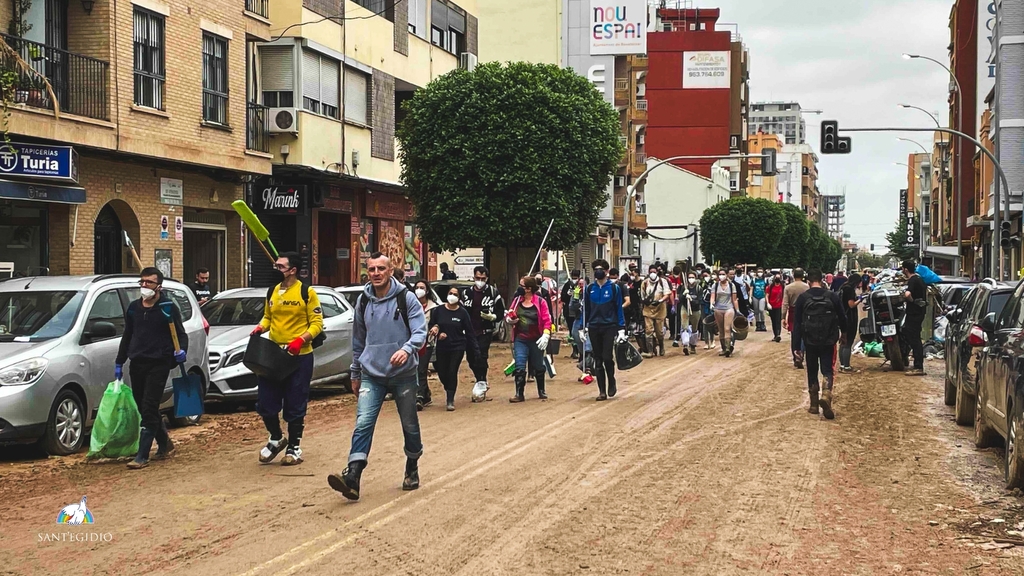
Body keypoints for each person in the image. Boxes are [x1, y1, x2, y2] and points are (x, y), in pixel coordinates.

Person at [328, 253, 427, 500]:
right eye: (371, 269)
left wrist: (406, 349)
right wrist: (355, 372)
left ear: (390, 270)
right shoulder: (363, 301)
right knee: (363, 422)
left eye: (381, 268)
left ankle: (412, 465)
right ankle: (353, 475)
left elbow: (420, 332)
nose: (376, 273)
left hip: (403, 374)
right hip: (371, 373)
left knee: (409, 425)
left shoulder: (407, 298)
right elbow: (358, 340)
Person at [250, 252, 324, 466]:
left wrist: (301, 339)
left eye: (281, 266)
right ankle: (275, 438)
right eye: (276, 265)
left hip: (299, 357)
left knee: (295, 403)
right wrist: (261, 327)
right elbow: (268, 316)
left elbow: (317, 323)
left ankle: (294, 446)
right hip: (273, 356)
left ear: (293, 270)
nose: (276, 269)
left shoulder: (306, 292)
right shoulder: (272, 291)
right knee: (266, 402)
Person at [115, 267, 188, 470]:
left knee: (149, 406)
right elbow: (127, 336)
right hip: (137, 362)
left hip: (159, 362)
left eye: (149, 282)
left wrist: (181, 351)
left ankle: (142, 454)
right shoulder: (133, 309)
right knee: (143, 406)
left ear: (159, 286)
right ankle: (165, 443)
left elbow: (181, 334)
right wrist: (119, 362)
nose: (145, 286)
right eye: (142, 282)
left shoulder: (167, 307)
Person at [793, 269, 847, 420]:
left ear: (808, 282)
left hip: (809, 341)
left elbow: (797, 324)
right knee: (827, 369)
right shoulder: (832, 296)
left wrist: (797, 347)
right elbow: (843, 317)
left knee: (812, 370)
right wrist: (844, 333)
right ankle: (826, 394)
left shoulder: (803, 298)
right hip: (828, 340)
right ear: (822, 280)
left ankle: (814, 405)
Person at [429, 286, 480, 411]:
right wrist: (437, 331)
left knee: (452, 371)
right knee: (441, 371)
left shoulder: (462, 313)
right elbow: (432, 324)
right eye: (450, 293)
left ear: (459, 298)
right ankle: (449, 386)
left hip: (457, 346)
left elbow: (469, 332)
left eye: (455, 294)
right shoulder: (439, 311)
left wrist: (475, 349)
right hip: (441, 346)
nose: (452, 296)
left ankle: (450, 399)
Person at [583, 259, 627, 401]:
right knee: (598, 359)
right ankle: (602, 391)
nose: (598, 271)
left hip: (609, 326)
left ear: (607, 271)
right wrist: (582, 326)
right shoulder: (589, 289)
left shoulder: (614, 288)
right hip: (594, 327)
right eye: (595, 269)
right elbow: (586, 310)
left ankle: (611, 380)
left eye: (601, 269)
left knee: (607, 357)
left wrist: (621, 328)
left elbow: (618, 308)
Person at [506, 276, 553, 402]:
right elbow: (510, 314)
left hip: (536, 339)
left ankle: (541, 390)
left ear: (528, 289)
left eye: (521, 285)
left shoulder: (540, 302)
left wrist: (546, 334)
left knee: (538, 366)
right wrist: (510, 319)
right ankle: (519, 393)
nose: (519, 288)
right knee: (520, 365)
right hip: (520, 338)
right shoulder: (517, 301)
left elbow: (547, 320)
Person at [461, 266, 504, 385]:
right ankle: (478, 377)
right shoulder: (466, 293)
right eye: (477, 278)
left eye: (483, 278)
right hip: (469, 331)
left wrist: (493, 317)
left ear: (487, 278)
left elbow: (501, 310)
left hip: (485, 331)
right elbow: (460, 311)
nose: (480, 281)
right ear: (473, 277)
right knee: (471, 358)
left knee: (481, 356)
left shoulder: (492, 292)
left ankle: (482, 381)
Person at [414, 279, 438, 410]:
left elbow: (438, 322)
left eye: (422, 287)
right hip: (413, 343)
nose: (419, 290)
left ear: (427, 290)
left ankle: (419, 397)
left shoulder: (433, 307)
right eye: (417, 287)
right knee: (416, 369)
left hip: (427, 343)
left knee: (421, 369)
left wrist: (436, 327)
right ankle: (426, 394)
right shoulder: (411, 305)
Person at [901, 260, 927, 376]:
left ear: (906, 269)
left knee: (914, 338)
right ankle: (914, 362)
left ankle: (918, 366)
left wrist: (911, 301)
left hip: (914, 313)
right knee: (912, 336)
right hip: (920, 312)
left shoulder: (913, 280)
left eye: (903, 269)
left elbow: (907, 294)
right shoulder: (920, 279)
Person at [640, 265, 672, 357]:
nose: (652, 274)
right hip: (648, 309)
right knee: (648, 330)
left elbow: (667, 294)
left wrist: (660, 301)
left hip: (660, 309)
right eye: (651, 272)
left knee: (659, 332)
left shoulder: (663, 282)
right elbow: (642, 296)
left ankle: (661, 347)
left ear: (657, 272)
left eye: (654, 272)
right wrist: (646, 301)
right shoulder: (645, 283)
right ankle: (650, 351)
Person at [782, 268, 810, 369]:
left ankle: (796, 356)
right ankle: (801, 354)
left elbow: (785, 303)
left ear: (793, 275)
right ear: (803, 275)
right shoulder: (807, 287)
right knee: (804, 335)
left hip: (793, 312)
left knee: (794, 335)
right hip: (805, 312)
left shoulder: (788, 287)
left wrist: (783, 317)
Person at [838, 272, 863, 373]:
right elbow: (851, 305)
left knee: (843, 342)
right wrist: (860, 300)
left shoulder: (843, 287)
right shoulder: (849, 289)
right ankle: (847, 366)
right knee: (848, 343)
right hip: (850, 318)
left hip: (842, 316)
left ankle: (842, 365)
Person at [712, 269, 740, 357]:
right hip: (718, 309)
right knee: (721, 329)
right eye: (720, 274)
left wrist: (737, 310)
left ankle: (728, 348)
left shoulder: (732, 285)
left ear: (727, 275)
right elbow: (712, 296)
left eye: (723, 274)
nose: (721, 276)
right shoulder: (715, 285)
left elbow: (734, 299)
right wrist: (711, 303)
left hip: (729, 308)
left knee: (727, 328)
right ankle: (724, 348)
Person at [561, 270, 584, 359]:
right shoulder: (568, 285)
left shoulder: (583, 288)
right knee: (572, 332)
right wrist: (569, 295)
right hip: (569, 312)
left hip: (580, 314)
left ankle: (583, 352)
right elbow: (563, 298)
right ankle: (575, 350)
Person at [681, 270, 701, 355]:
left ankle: (693, 346)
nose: (691, 279)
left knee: (694, 328)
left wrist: (691, 300)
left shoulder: (699, 288)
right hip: (685, 308)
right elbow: (680, 299)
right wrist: (683, 295)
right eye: (689, 277)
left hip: (695, 310)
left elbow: (699, 300)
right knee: (684, 326)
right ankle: (685, 345)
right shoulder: (684, 287)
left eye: (692, 277)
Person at [667, 266, 684, 347]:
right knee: (671, 318)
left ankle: (678, 333)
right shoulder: (669, 279)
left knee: (679, 319)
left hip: (679, 301)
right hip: (670, 302)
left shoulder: (681, 279)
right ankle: (672, 333)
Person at [766, 271, 786, 343]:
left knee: (778, 320)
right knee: (773, 321)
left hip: (779, 305)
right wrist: (768, 303)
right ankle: (775, 334)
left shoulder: (782, 286)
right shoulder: (770, 287)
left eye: (779, 278)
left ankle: (778, 334)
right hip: (771, 306)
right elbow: (767, 295)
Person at [751, 268, 768, 332]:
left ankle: (762, 323)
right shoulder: (754, 279)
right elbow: (751, 288)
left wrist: (767, 297)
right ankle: (758, 323)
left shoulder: (765, 280)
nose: (760, 273)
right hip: (755, 296)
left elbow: (767, 289)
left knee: (761, 310)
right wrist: (750, 297)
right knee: (756, 311)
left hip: (762, 296)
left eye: (761, 272)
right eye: (758, 271)